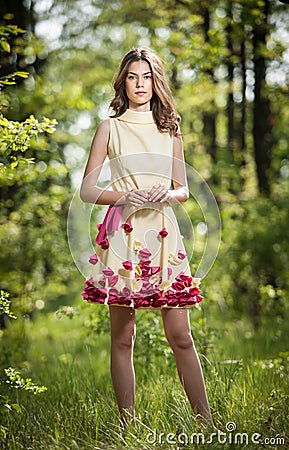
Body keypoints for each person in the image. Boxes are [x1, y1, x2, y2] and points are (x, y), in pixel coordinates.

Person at [80, 48, 212, 427]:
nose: (141, 84)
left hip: (163, 234)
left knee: (181, 335)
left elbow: (183, 189)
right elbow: (88, 190)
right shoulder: (110, 127)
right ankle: (127, 426)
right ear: (123, 81)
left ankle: (206, 424)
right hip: (123, 234)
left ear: (157, 82)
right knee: (123, 339)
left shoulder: (170, 128)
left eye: (148, 77)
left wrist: (167, 195)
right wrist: (124, 196)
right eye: (133, 77)